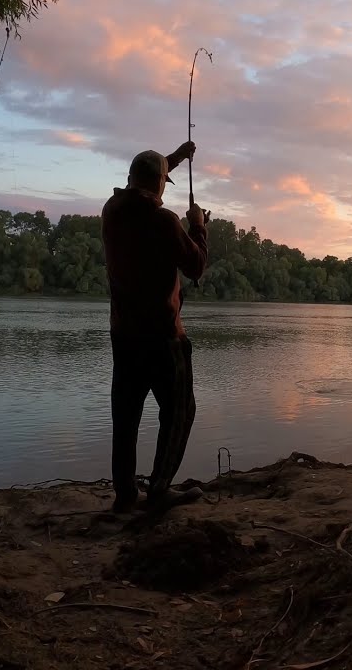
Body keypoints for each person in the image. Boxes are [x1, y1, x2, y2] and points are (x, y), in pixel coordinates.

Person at [101, 142, 209, 514]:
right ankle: (159, 489)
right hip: (164, 337)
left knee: (126, 417)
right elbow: (195, 266)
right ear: (161, 185)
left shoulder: (112, 211)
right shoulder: (165, 222)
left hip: (124, 335)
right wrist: (198, 227)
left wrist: (175, 159)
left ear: (129, 178)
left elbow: (144, 179)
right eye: (165, 179)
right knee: (180, 411)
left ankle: (125, 495)